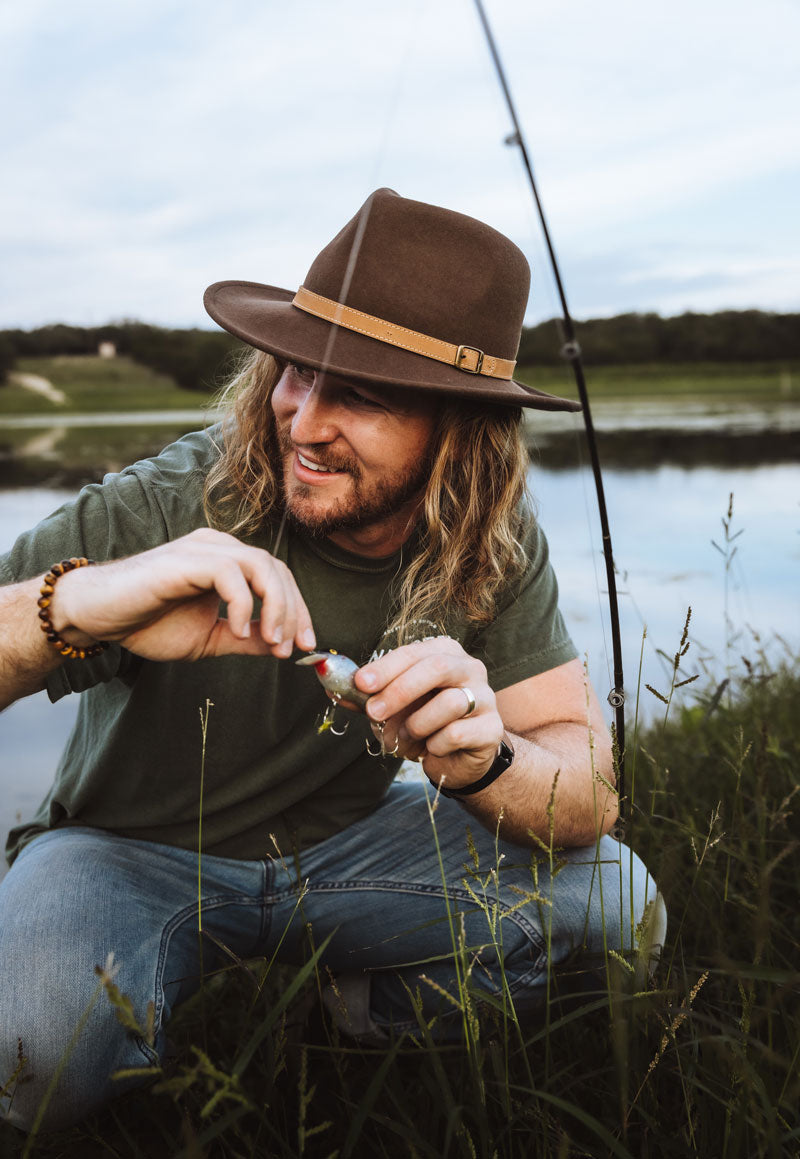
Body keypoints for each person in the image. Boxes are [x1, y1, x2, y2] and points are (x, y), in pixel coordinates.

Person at [0, 188, 658, 1132]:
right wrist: (79, 604)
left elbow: (587, 787)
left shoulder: (493, 537)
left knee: (620, 903)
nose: (301, 420)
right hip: (119, 853)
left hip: (349, 852)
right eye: (295, 372)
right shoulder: (173, 498)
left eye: (358, 393)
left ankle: (358, 1020)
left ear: (456, 429)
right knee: (28, 1059)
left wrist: (488, 761)